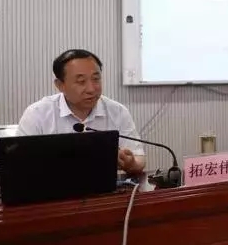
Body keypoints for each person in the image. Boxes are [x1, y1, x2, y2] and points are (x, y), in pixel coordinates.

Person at [17, 49, 146, 174]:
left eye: (96, 79)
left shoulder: (117, 111)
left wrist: (131, 163)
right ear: (60, 85)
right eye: (81, 81)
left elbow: (139, 159)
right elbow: (19, 164)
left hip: (103, 186)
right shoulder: (37, 114)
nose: (91, 89)